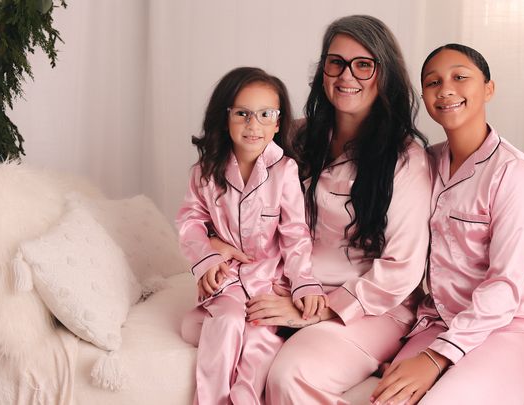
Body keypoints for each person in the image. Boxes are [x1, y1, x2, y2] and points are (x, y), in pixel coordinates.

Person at [209, 15, 432, 404]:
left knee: (290, 374)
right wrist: (212, 238)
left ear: (385, 74)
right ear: (322, 71)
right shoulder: (293, 135)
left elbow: (402, 269)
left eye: (363, 65)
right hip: (284, 285)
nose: (347, 75)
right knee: (209, 330)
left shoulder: (405, 159)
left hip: (370, 307)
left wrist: (318, 310)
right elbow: (226, 190)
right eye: (336, 62)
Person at [370, 44, 524, 405]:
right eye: (433, 82)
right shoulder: (424, 163)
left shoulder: (513, 174)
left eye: (460, 77)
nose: (446, 89)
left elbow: (505, 285)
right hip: (441, 321)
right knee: (388, 398)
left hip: (516, 325)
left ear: (488, 89)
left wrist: (435, 358)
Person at [175, 66, 327, 405]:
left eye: (265, 114)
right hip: (226, 280)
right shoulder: (205, 172)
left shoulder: (285, 171)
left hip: (268, 283)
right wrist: (207, 257)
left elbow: (295, 233)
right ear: (225, 117)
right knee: (227, 323)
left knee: (259, 340)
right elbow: (190, 220)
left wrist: (303, 282)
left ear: (278, 122)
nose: (253, 125)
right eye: (242, 114)